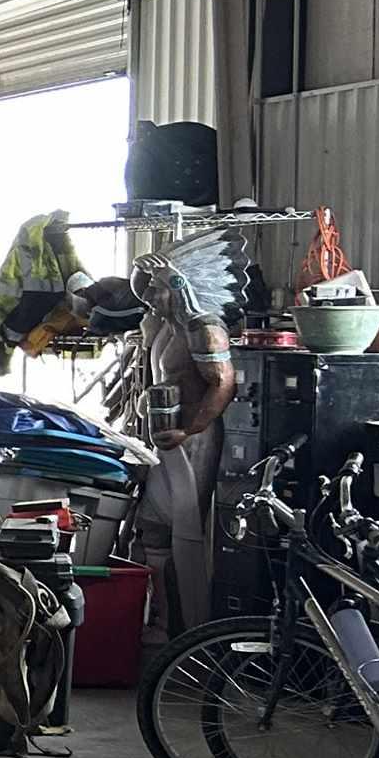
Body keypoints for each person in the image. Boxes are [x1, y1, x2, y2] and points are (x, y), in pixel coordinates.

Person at [129, 249, 237, 636]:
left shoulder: (203, 328)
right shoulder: (163, 327)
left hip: (192, 439)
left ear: (180, 288)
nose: (150, 298)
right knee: (152, 526)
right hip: (165, 436)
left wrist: (189, 430)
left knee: (185, 527)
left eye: (157, 289)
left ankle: (189, 625)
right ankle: (164, 619)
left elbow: (223, 383)